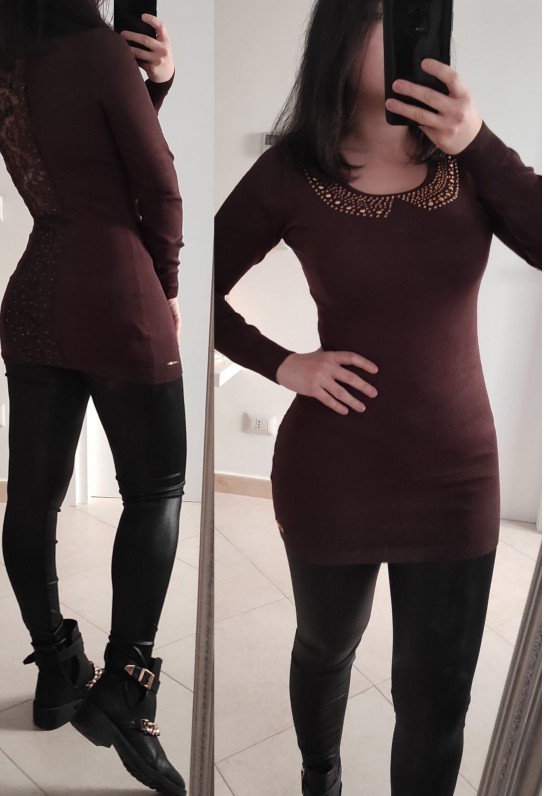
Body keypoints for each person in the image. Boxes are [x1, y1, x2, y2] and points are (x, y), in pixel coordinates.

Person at [213, 1, 541, 794]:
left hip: (457, 472)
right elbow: (186, 280)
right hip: (336, 470)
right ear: (343, 31)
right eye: (388, 14)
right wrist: (283, 364)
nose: (409, 31)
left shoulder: (469, 160)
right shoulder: (291, 171)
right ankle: (319, 776)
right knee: (327, 645)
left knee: (438, 699)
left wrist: (478, 140)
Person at [0, 1, 187, 793]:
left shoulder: (3, 73)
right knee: (156, 489)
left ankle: (59, 670)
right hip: (117, 292)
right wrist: (166, 287)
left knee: (31, 498)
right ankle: (127, 690)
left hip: (36, 294)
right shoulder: (99, 50)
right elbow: (155, 185)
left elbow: (83, 164)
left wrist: (153, 85)